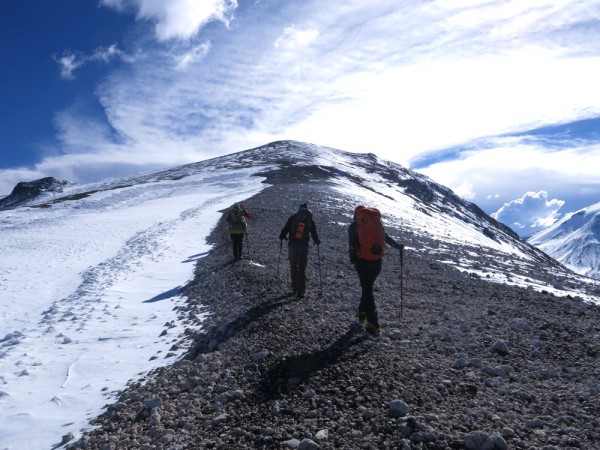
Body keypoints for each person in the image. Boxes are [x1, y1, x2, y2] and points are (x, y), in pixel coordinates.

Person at [348, 205, 403, 335]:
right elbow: (386, 238)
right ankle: (362, 312)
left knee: (367, 290)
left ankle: (373, 323)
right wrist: (398, 246)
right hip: (377, 262)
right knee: (367, 288)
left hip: (362, 262)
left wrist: (353, 260)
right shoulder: (377, 225)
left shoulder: (354, 226)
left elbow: (351, 244)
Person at [279, 203, 320, 299]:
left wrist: (282, 236)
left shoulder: (293, 217)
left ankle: (295, 287)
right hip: (303, 246)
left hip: (292, 245)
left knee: (293, 266)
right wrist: (316, 241)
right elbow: (314, 232)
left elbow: (286, 229)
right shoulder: (309, 220)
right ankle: (301, 291)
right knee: (302, 268)